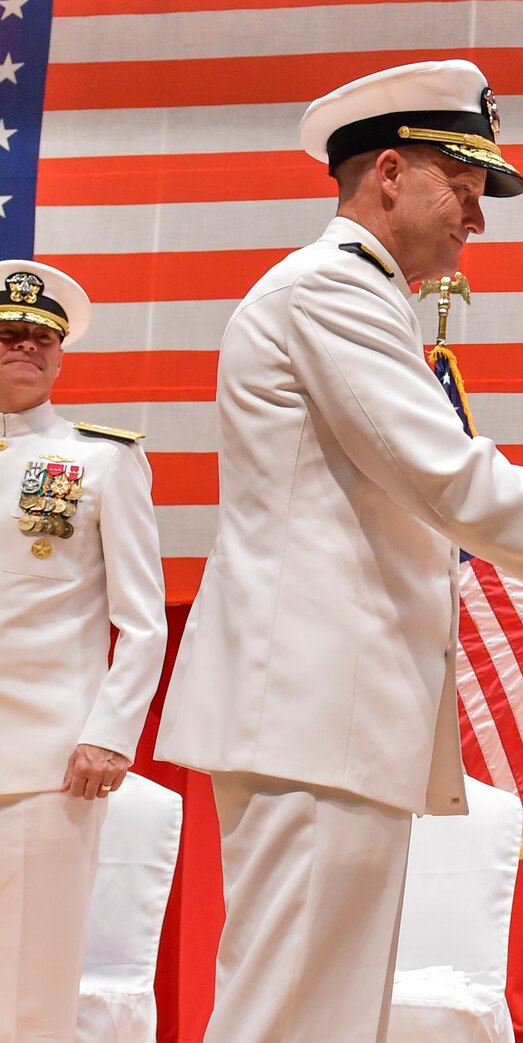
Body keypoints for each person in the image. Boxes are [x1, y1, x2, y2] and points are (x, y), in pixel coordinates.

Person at [154, 60, 523, 1043]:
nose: (478, 220)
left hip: (328, 718)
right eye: (461, 191)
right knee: (290, 1013)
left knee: (325, 1013)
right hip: (309, 713)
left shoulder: (363, 299)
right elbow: (449, 477)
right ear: (388, 173)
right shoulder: (329, 293)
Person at [0, 261, 167, 1041]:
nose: (25, 347)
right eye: (8, 334)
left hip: (45, 758)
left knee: (33, 979)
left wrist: (110, 731)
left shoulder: (101, 460)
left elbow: (143, 621)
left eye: (41, 338)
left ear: (60, 356)